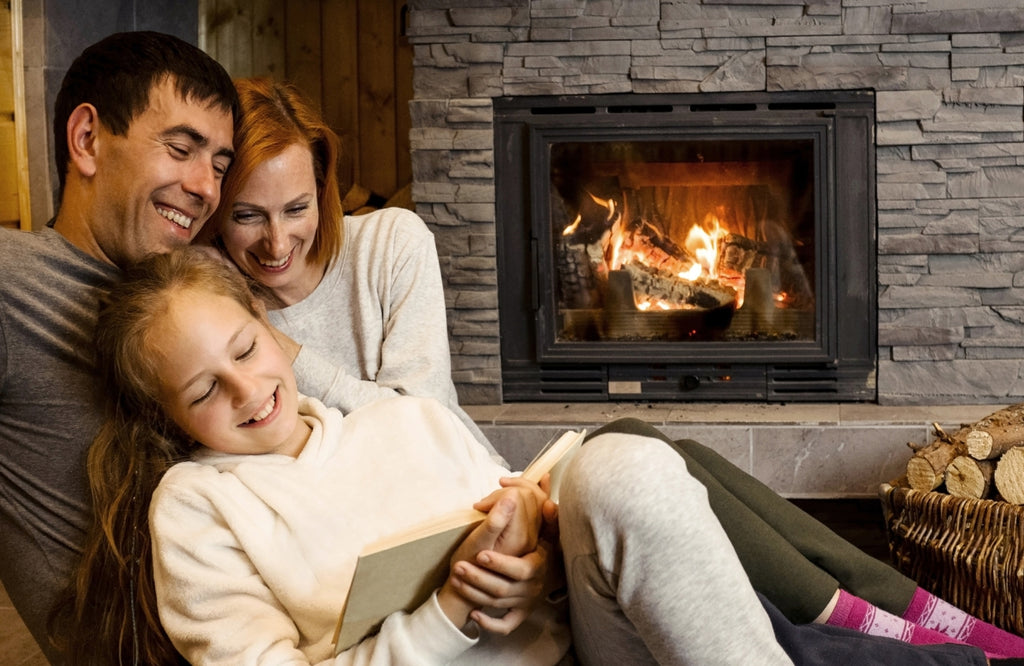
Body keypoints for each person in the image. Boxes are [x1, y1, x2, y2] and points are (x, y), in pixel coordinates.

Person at [67, 247, 1009, 665]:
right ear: (167, 416)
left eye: (243, 352)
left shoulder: (400, 421)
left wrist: (531, 558)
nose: (243, 392)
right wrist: (443, 620)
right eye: (202, 393)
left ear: (274, 330)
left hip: (575, 655)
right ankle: (880, 625)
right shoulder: (198, 507)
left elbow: (560, 571)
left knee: (621, 463)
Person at [0, 30, 238, 662]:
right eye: (181, 149)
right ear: (87, 141)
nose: (206, 188)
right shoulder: (9, 284)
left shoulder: (193, 289)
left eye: (219, 165)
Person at [197, 77, 496, 453]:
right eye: (246, 216)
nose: (277, 243)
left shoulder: (391, 243)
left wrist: (278, 345)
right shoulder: (208, 297)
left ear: (322, 191)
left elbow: (423, 425)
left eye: (296, 209)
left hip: (463, 477)